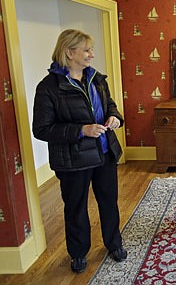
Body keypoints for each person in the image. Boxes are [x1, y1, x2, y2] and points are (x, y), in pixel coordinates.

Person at [32, 29, 127, 273]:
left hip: (104, 153)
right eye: (86, 50)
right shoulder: (49, 87)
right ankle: (78, 253)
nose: (92, 55)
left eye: (91, 49)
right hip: (73, 160)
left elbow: (111, 107)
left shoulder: (97, 79)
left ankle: (113, 243)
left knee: (109, 202)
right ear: (69, 52)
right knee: (75, 207)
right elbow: (42, 129)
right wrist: (81, 130)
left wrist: (115, 118)